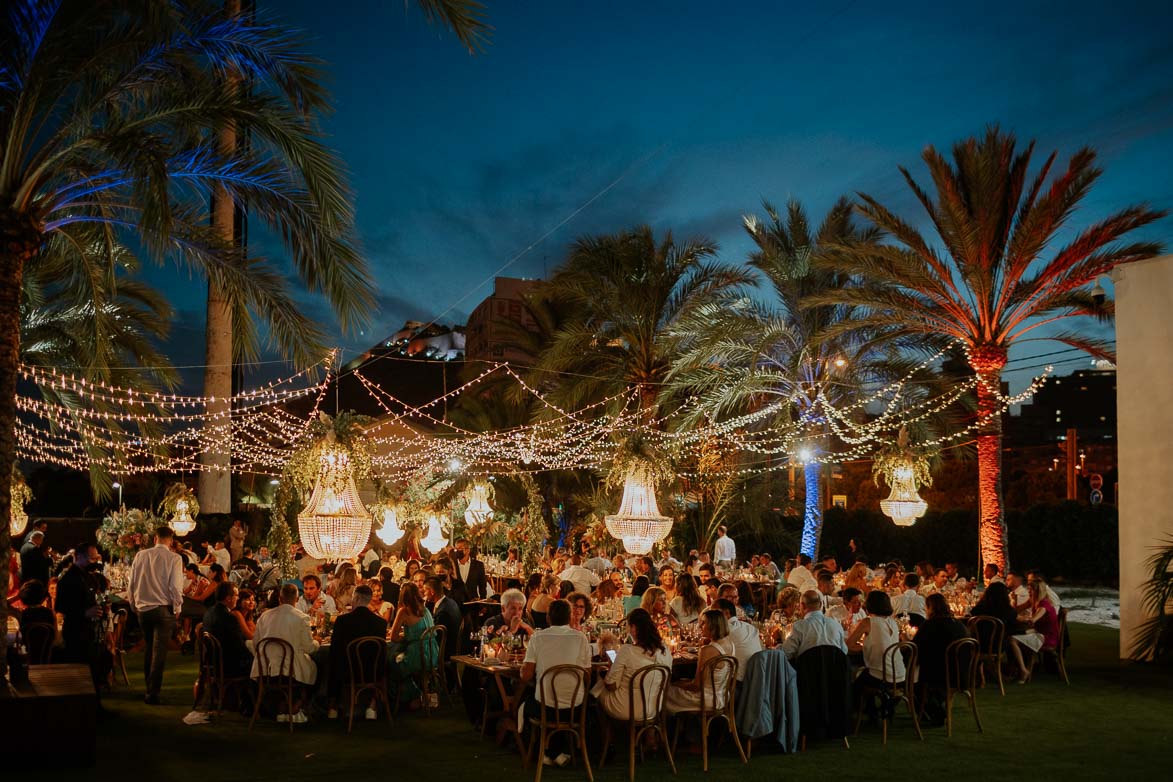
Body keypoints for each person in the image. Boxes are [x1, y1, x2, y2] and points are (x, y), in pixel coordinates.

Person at [520, 598, 592, 768]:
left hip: (547, 708)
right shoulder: (581, 638)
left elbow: (526, 676)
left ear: (548, 618)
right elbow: (587, 675)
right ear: (569, 617)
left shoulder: (538, 638)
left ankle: (542, 750)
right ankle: (555, 752)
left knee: (524, 706)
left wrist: (524, 668)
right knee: (557, 698)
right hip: (576, 708)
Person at [128, 526, 184, 705]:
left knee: (150, 648)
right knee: (159, 652)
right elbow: (175, 586)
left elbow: (132, 583)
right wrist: (178, 608)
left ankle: (149, 687)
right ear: (171, 540)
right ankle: (152, 692)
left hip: (143, 609)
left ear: (155, 539)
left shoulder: (141, 555)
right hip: (162, 609)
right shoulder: (174, 558)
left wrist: (133, 604)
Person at [252, 583, 318, 722]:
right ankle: (297, 707)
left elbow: (256, 643)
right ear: (296, 599)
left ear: (280, 598)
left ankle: (284, 708)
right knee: (318, 667)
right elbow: (309, 648)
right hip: (291, 670)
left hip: (266, 669)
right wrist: (317, 642)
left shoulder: (265, 616)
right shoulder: (301, 617)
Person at [597, 607, 674, 721]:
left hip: (627, 708)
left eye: (628, 626)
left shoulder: (627, 650)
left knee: (597, 690)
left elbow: (611, 685)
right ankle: (649, 734)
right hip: (654, 708)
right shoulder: (665, 650)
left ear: (633, 628)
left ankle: (608, 736)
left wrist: (609, 668)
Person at [55, 543, 112, 691]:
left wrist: (103, 606)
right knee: (82, 675)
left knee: (99, 666)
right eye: (92, 559)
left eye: (96, 558)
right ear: (79, 557)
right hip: (76, 632)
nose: (95, 562)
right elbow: (60, 607)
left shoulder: (88, 576)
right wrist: (84, 613)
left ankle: (96, 705)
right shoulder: (67, 579)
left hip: (90, 632)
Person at [326, 584, 388, 720]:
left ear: (357, 598)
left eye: (353, 597)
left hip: (348, 672)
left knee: (332, 659)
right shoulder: (380, 623)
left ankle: (333, 705)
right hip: (374, 672)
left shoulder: (342, 621)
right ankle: (372, 705)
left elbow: (334, 649)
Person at [664, 609, 736, 715]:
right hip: (723, 696)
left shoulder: (707, 650)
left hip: (705, 700)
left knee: (662, 691)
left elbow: (696, 686)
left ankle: (671, 729)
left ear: (713, 626)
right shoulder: (730, 643)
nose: (699, 626)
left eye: (703, 623)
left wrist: (677, 683)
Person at [914, 593, 971, 723]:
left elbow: (916, 647)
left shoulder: (929, 625)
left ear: (930, 608)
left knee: (913, 679)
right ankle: (934, 707)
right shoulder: (958, 624)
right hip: (961, 674)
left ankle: (930, 712)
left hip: (940, 675)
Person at [388, 582, 437, 709]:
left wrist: (405, 637)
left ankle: (415, 695)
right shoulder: (425, 609)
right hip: (433, 653)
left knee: (393, 664)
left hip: (418, 655)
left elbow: (393, 637)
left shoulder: (404, 611)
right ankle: (420, 695)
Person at [847, 591, 904, 696]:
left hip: (883, 676)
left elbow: (849, 645)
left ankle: (866, 707)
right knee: (867, 672)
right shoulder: (893, 621)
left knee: (856, 682)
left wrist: (864, 647)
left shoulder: (868, 622)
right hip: (900, 674)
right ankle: (875, 706)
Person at [1008, 579, 1060, 683]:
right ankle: (1017, 670)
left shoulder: (1043, 605)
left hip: (1046, 637)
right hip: (1038, 632)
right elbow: (1016, 610)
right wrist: (1014, 601)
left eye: (1031, 589)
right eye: (1028, 589)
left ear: (1038, 590)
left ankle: (1023, 671)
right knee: (1012, 636)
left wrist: (1020, 618)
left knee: (1012, 639)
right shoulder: (1033, 600)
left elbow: (1032, 620)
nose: (1028, 591)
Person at [202, 582, 253, 678]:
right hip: (228, 664)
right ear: (228, 598)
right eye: (236, 595)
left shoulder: (208, 613)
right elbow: (239, 645)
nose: (237, 598)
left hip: (212, 661)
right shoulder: (229, 617)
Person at [782, 590, 848, 659]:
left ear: (803, 606)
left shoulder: (799, 627)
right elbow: (844, 652)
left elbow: (786, 653)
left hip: (806, 669)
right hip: (834, 669)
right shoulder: (836, 625)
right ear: (820, 604)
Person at [713, 598, 762, 681]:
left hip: (735, 682)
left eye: (713, 614)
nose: (711, 617)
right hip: (757, 679)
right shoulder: (750, 627)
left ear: (727, 613)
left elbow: (712, 655)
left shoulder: (724, 630)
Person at [423, 576, 462, 662]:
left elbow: (436, 636)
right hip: (453, 646)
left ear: (432, 592)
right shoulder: (450, 602)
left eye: (425, 590)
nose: (424, 594)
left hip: (445, 652)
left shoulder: (443, 611)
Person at [449, 538, 488, 604]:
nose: (458, 551)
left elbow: (482, 586)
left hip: (473, 601)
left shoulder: (478, 565)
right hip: (456, 602)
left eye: (460, 548)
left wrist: (483, 602)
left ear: (467, 550)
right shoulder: (452, 565)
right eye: (457, 549)